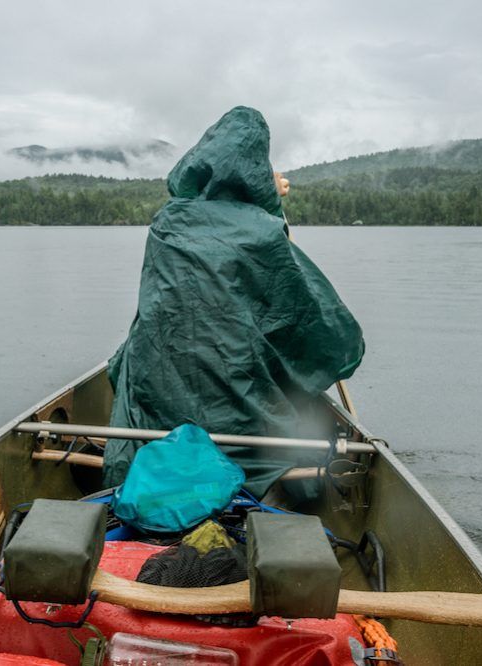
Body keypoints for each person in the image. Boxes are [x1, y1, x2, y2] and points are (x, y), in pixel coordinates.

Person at [103, 106, 363, 501]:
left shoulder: (166, 224)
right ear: (256, 169)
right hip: (242, 428)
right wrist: (272, 205)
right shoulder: (263, 232)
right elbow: (328, 339)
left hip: (157, 418)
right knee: (298, 400)